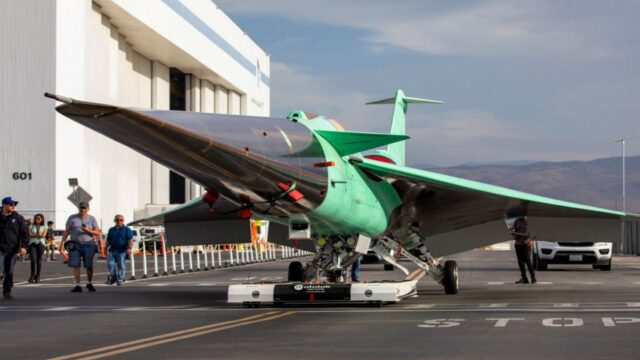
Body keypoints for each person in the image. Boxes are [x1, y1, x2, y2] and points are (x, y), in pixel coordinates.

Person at [61, 202, 100, 292]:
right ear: (78, 208)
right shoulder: (72, 218)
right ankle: (78, 285)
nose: (83, 210)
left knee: (88, 265)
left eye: (85, 208)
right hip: (75, 244)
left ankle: (89, 283)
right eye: (81, 208)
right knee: (75, 265)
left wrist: (88, 230)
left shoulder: (92, 219)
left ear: (88, 209)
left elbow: (97, 232)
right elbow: (67, 231)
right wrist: (62, 243)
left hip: (88, 244)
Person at [0, 197, 28, 299]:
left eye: (14, 204)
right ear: (4, 205)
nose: (13, 206)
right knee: (1, 269)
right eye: (11, 204)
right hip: (0, 248)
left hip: (11, 249)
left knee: (8, 270)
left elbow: (25, 233)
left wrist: (24, 247)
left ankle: (7, 290)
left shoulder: (18, 218)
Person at [105, 214, 133, 286]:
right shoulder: (111, 230)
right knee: (110, 264)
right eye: (117, 220)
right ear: (114, 221)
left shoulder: (127, 229)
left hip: (122, 251)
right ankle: (114, 278)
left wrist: (129, 248)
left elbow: (130, 240)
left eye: (121, 220)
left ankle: (120, 279)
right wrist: (105, 248)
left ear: (123, 221)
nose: (119, 221)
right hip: (112, 250)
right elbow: (108, 240)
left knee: (121, 266)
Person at [511, 217, 536, 284]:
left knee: (528, 261)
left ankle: (533, 278)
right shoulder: (517, 220)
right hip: (518, 244)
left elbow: (533, 233)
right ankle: (525, 278)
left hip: (525, 244)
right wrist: (512, 231)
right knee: (521, 262)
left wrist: (528, 240)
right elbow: (513, 231)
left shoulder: (528, 220)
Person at [28, 213, 47, 283]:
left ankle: (38, 276)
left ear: (42, 219)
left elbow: (43, 236)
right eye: (36, 218)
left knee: (39, 260)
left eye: (38, 218)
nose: (37, 220)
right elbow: (29, 235)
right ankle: (32, 275)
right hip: (32, 244)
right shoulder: (31, 226)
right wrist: (37, 235)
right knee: (33, 259)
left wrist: (35, 235)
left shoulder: (45, 226)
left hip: (41, 244)